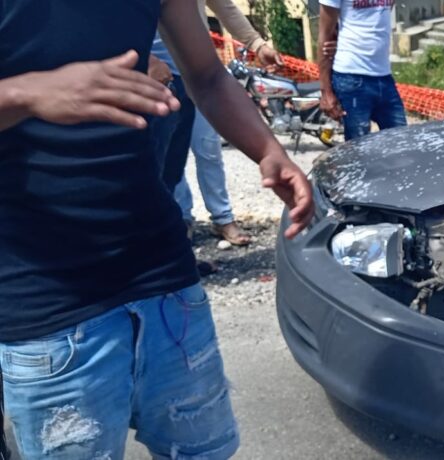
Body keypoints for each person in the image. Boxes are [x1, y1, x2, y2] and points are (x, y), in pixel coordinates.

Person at [0, 0, 313, 458]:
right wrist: (27, 94)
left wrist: (268, 151)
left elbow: (205, 74)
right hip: (44, 292)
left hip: (163, 274)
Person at [151, 0, 285, 245]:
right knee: (167, 162)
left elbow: (224, 6)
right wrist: (146, 61)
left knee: (208, 150)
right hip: (155, 81)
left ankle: (222, 218)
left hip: (199, 77)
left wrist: (255, 43)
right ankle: (179, 223)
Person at [318, 0, 408, 140]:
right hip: (351, 78)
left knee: (401, 142)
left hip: (384, 76)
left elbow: (379, 17)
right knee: (358, 149)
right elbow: (324, 35)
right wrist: (326, 92)